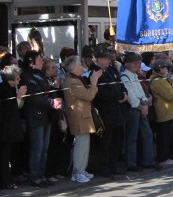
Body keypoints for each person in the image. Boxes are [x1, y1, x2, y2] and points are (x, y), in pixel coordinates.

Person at [20, 51, 63, 188]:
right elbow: (34, 97)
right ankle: (35, 176)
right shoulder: (27, 76)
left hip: (46, 116)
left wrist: (54, 95)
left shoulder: (41, 76)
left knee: (44, 148)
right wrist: (51, 102)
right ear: (31, 62)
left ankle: (42, 174)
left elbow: (47, 91)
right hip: (35, 116)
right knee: (37, 148)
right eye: (39, 60)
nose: (41, 62)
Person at [63, 55, 102, 183]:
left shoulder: (76, 79)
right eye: (79, 65)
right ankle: (77, 172)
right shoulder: (72, 82)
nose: (81, 67)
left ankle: (82, 169)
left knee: (85, 144)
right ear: (73, 68)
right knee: (81, 145)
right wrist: (94, 83)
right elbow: (89, 96)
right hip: (79, 117)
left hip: (83, 116)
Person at [91, 47, 128, 178]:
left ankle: (113, 165)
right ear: (99, 59)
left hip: (117, 111)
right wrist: (117, 97)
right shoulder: (96, 72)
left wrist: (124, 94)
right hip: (106, 111)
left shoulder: (112, 70)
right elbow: (102, 93)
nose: (109, 60)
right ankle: (104, 167)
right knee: (106, 141)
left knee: (116, 141)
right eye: (106, 58)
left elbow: (120, 84)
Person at [120, 53, 159, 172]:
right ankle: (131, 163)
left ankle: (148, 160)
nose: (137, 65)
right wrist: (140, 107)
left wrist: (145, 103)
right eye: (135, 63)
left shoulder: (135, 76)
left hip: (141, 107)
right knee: (132, 137)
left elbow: (140, 92)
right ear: (127, 64)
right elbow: (131, 96)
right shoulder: (124, 77)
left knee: (147, 134)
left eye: (138, 63)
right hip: (133, 109)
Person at [150, 59, 173, 166]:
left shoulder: (161, 79)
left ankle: (168, 155)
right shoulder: (159, 81)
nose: (166, 69)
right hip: (164, 112)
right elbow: (169, 95)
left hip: (167, 112)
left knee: (168, 136)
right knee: (164, 137)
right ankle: (163, 158)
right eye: (163, 67)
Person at [0, 65, 26, 189]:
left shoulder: (11, 88)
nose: (19, 80)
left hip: (10, 128)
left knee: (9, 154)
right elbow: (8, 109)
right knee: (4, 156)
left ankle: (7, 179)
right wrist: (19, 97)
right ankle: (5, 181)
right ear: (10, 79)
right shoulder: (4, 90)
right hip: (5, 129)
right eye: (17, 78)